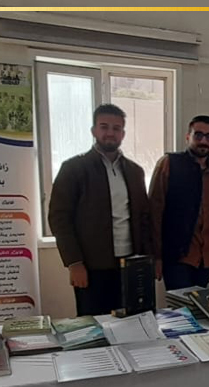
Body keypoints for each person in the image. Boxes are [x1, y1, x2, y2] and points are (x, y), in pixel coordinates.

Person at [47, 103, 154, 316]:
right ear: (94, 131)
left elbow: (144, 219)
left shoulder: (135, 171)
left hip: (130, 264)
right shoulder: (74, 169)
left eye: (116, 128)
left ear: (123, 134)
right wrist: (74, 264)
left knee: (133, 322)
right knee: (94, 324)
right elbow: (59, 219)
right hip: (91, 266)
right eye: (104, 127)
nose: (110, 133)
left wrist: (148, 260)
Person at [149, 115, 209, 290]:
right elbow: (154, 213)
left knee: (201, 307)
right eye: (198, 135)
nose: (203, 141)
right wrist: (156, 257)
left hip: (206, 259)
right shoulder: (169, 164)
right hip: (177, 257)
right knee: (180, 307)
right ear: (187, 137)